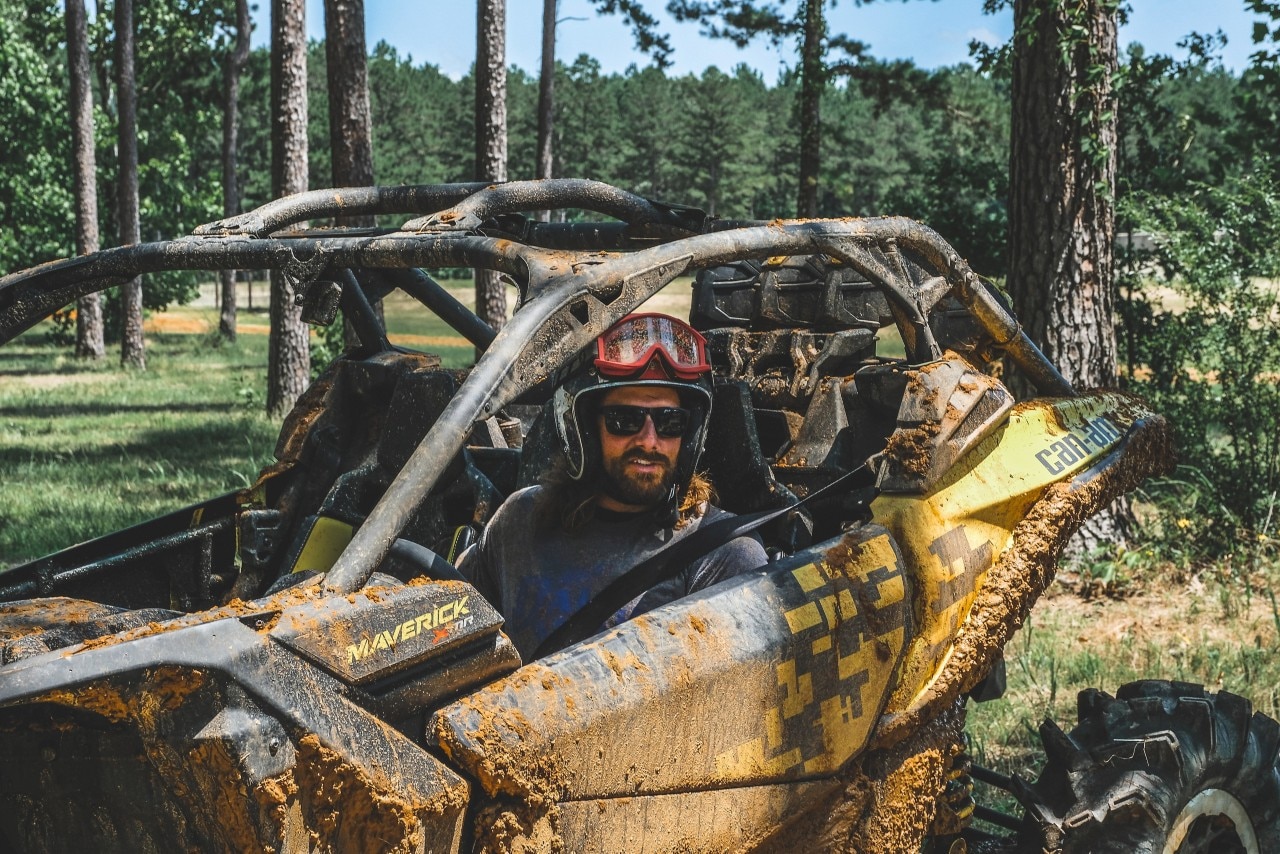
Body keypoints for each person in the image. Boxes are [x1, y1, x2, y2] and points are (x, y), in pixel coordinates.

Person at [459, 312, 769, 660]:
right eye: (625, 420)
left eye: (670, 422)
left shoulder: (723, 554)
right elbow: (451, 637)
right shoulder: (518, 522)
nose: (649, 441)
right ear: (585, 429)